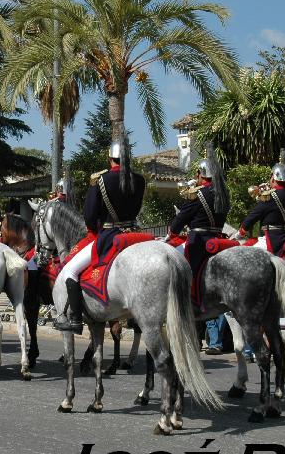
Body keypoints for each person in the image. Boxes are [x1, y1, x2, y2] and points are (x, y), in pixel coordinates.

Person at [53, 135, 145, 334]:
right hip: (135, 234)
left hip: (109, 236)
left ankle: (76, 319)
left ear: (109, 158)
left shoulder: (101, 180)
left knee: (70, 271)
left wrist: (96, 229)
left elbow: (89, 216)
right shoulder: (139, 179)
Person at [167, 143, 230, 288]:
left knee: (172, 265)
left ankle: (188, 295)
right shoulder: (224, 194)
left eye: (197, 173)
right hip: (219, 238)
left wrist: (173, 232)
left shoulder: (199, 193)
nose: (196, 177)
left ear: (201, 174)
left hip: (199, 242)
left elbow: (182, 218)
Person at [238, 149, 285, 256]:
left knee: (241, 254)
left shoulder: (270, 195)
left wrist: (242, 231)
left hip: (272, 239)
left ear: (273, 177)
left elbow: (254, 215)